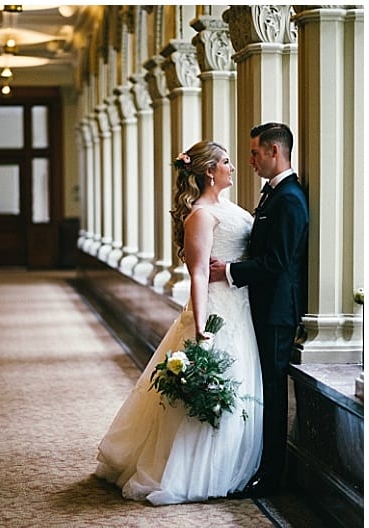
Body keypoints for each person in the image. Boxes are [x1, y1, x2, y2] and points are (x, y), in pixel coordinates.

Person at [94, 141, 263, 505]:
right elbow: (199, 275)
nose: (233, 168)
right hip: (219, 311)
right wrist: (201, 326)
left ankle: (227, 463)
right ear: (209, 171)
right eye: (227, 162)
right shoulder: (201, 214)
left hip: (241, 305)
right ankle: (192, 470)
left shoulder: (225, 208)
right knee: (216, 388)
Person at [210, 123, 309, 497]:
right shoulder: (273, 195)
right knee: (263, 390)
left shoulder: (289, 198)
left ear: (274, 152)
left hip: (277, 312)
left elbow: (279, 262)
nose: (248, 161)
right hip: (263, 306)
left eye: (254, 153)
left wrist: (231, 271)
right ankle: (260, 468)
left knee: (272, 392)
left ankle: (271, 477)